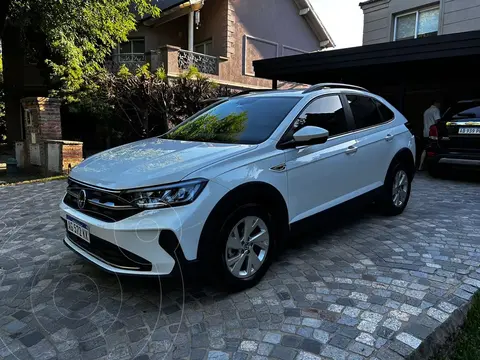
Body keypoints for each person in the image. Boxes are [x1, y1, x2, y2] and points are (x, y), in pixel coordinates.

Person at [419, 100, 441, 170]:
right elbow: (438, 121)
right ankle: (434, 167)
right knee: (434, 149)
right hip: (432, 133)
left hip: (425, 132)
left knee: (425, 149)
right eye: (439, 104)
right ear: (436, 103)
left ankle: (420, 166)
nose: (440, 105)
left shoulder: (426, 111)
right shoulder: (435, 110)